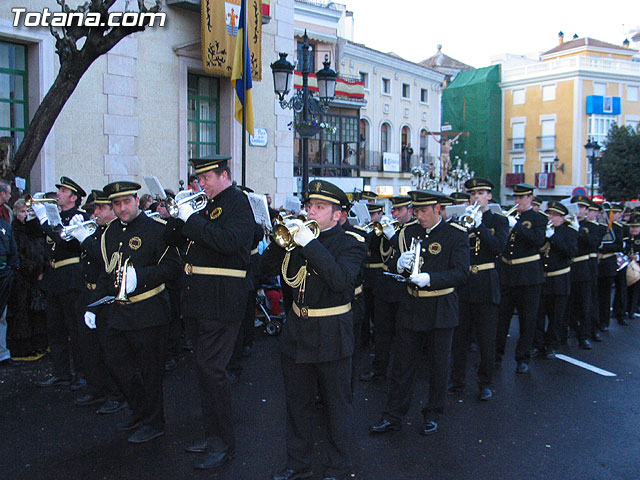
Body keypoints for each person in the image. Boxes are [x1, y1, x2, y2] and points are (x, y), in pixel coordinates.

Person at [261, 179, 365, 480]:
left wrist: (309, 243)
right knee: (297, 404)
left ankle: (339, 464)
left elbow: (340, 282)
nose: (311, 212)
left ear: (338, 215)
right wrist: (280, 240)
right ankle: (298, 463)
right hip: (298, 330)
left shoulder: (351, 243)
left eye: (320, 208)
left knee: (337, 405)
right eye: (309, 206)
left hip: (333, 330)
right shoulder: (297, 239)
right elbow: (266, 269)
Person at [165, 155, 254, 469]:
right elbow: (173, 241)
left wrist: (193, 220)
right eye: (198, 179)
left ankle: (222, 443)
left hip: (221, 301)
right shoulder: (202, 205)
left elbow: (229, 242)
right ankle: (211, 433)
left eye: (206, 178)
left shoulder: (239, 203)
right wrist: (176, 217)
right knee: (204, 371)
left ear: (224, 175)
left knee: (212, 370)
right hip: (197, 300)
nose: (200, 184)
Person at [85, 181, 182, 444]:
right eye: (116, 204)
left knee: (150, 371)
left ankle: (154, 421)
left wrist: (141, 276)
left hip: (150, 309)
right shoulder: (110, 233)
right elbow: (107, 274)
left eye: (126, 202)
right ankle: (139, 410)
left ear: (137, 200)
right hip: (119, 312)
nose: (122, 208)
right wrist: (93, 305)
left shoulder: (156, 230)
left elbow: (174, 266)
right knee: (119, 365)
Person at [369, 189, 469, 436]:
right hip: (412, 306)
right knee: (402, 366)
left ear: (438, 209)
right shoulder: (409, 231)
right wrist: (399, 264)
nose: (419, 215)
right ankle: (393, 415)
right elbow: (393, 265)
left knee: (438, 366)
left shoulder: (455, 235)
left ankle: (433, 413)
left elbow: (461, 273)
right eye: (416, 210)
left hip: (440, 307)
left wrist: (431, 278)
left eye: (424, 210)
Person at [449, 178, 508, 401]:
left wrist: (480, 226)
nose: (476, 197)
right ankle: (457, 381)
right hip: (464, 283)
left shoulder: (498, 220)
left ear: (489, 196)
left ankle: (485, 382)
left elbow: (497, 248)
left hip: (485, 282)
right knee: (459, 337)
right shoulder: (460, 221)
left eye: (481, 193)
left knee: (486, 338)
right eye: (473, 194)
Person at [69, 190, 127, 414]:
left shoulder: (115, 233)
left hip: (107, 296)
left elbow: (106, 262)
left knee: (109, 348)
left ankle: (116, 393)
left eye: (102, 208)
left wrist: (85, 240)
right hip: (88, 292)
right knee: (88, 345)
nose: (96, 212)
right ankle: (96, 388)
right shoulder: (98, 231)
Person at [32, 177, 88, 389]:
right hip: (54, 278)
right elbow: (32, 232)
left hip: (71, 277)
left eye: (63, 191)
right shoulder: (55, 216)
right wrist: (35, 215)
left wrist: (45, 220)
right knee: (55, 329)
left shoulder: (78, 217)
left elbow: (63, 241)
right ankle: (61, 372)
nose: (58, 194)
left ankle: (82, 373)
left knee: (75, 329)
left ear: (73, 197)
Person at [360, 196, 414, 382]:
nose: (395, 214)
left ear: (410, 210)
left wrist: (392, 237)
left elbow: (407, 251)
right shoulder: (388, 227)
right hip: (384, 284)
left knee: (403, 334)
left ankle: (401, 371)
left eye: (399, 210)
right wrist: (377, 231)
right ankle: (379, 368)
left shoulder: (414, 229)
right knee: (382, 331)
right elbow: (370, 247)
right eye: (394, 210)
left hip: (402, 286)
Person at [495, 183, 547, 374]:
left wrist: (516, 226)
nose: (517, 201)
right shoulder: (508, 217)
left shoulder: (539, 218)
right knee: (502, 318)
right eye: (515, 197)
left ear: (530, 198)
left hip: (528, 276)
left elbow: (537, 240)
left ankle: (522, 358)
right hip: (507, 274)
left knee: (527, 319)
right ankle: (496, 354)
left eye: (521, 198)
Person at [532, 202, 578, 358]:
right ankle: (538, 344)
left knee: (556, 316)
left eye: (554, 215)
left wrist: (554, 237)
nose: (550, 217)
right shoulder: (543, 232)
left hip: (559, 279)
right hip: (542, 278)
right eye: (549, 214)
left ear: (562, 218)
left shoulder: (568, 232)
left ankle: (552, 345)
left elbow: (570, 252)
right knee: (538, 315)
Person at [7, 199, 47, 357]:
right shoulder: (15, 231)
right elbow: (16, 254)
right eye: (22, 211)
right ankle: (23, 347)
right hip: (22, 277)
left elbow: (42, 248)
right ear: (16, 213)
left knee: (37, 311)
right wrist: (31, 269)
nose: (26, 215)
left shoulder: (35, 229)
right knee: (22, 311)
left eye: (28, 212)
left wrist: (42, 268)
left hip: (38, 275)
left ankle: (39, 343)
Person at [567, 196, 601, 348]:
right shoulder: (566, 224)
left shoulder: (592, 227)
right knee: (568, 304)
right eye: (576, 206)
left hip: (583, 267)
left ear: (587, 211)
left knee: (585, 303)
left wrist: (579, 230)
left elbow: (593, 243)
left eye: (582, 207)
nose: (579, 210)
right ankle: (569, 329)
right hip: (568, 268)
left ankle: (584, 335)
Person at [597, 203, 624, 331]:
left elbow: (619, 246)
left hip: (608, 262)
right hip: (597, 263)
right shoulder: (598, 226)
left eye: (607, 214)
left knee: (605, 295)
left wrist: (603, 247)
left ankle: (604, 321)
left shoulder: (617, 228)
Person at [361, 203, 384, 348]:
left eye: (374, 215)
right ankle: (364, 339)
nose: (371, 218)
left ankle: (378, 339)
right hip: (366, 273)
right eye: (369, 214)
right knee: (365, 309)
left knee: (378, 311)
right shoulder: (366, 228)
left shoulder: (383, 230)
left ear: (380, 215)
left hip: (377, 273)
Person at [0, 216, 20, 367]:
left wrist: (11, 270)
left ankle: (2, 353)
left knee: (2, 316)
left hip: (3, 276)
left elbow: (12, 251)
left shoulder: (5, 226)